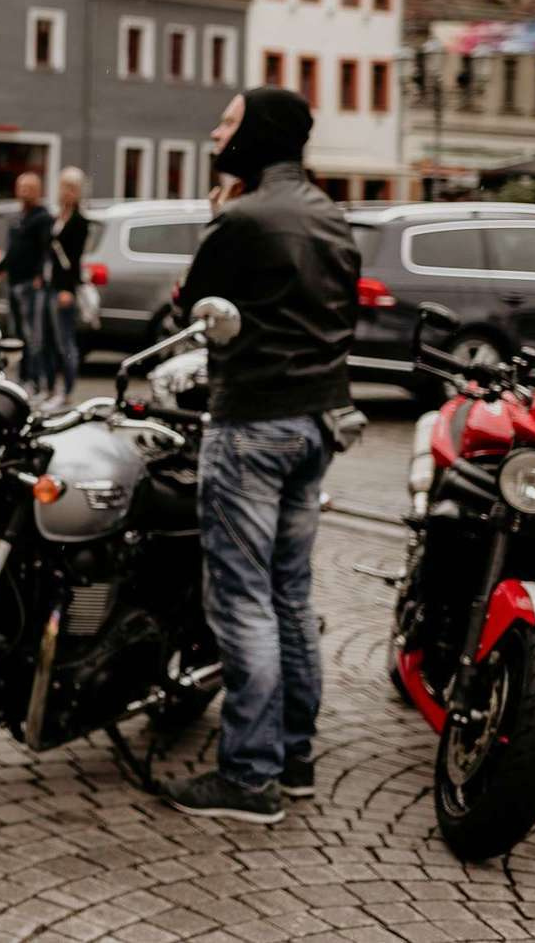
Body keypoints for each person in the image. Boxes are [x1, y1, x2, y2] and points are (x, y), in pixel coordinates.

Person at [160, 88, 357, 826]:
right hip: (315, 423)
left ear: (260, 134)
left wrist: (220, 211)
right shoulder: (333, 216)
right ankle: (294, 756)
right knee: (289, 595)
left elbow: (190, 306)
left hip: (251, 423)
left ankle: (248, 776)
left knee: (241, 598)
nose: (216, 129)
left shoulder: (243, 217)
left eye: (229, 120)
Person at [0, 171, 51, 394]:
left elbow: (46, 250)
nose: (24, 191)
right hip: (14, 281)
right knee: (17, 334)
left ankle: (35, 380)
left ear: (38, 191)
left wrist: (39, 276)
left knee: (32, 335)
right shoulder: (18, 218)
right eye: (21, 187)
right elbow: (12, 250)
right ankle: (22, 377)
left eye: (29, 187)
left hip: (30, 284)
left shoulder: (42, 218)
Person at [38, 166, 89, 409]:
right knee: (46, 339)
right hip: (48, 285)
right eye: (63, 186)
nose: (66, 192)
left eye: (72, 188)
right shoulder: (56, 217)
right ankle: (49, 389)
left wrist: (68, 289)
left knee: (64, 341)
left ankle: (66, 391)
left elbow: (75, 259)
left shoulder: (79, 222)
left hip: (63, 288)